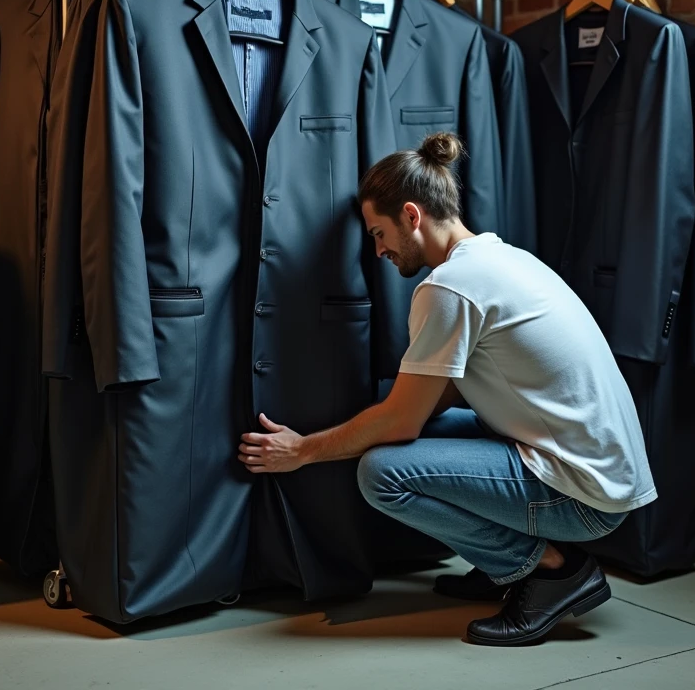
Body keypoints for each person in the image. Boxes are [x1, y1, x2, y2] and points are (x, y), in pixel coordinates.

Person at [239, 131, 657, 647]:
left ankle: (550, 570)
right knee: (410, 422)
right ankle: (506, 565)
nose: (378, 251)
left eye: (379, 233)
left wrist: (301, 451)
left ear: (412, 216)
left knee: (381, 472)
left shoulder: (447, 288)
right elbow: (447, 396)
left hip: (588, 496)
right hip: (598, 467)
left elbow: (399, 423)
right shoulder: (499, 258)